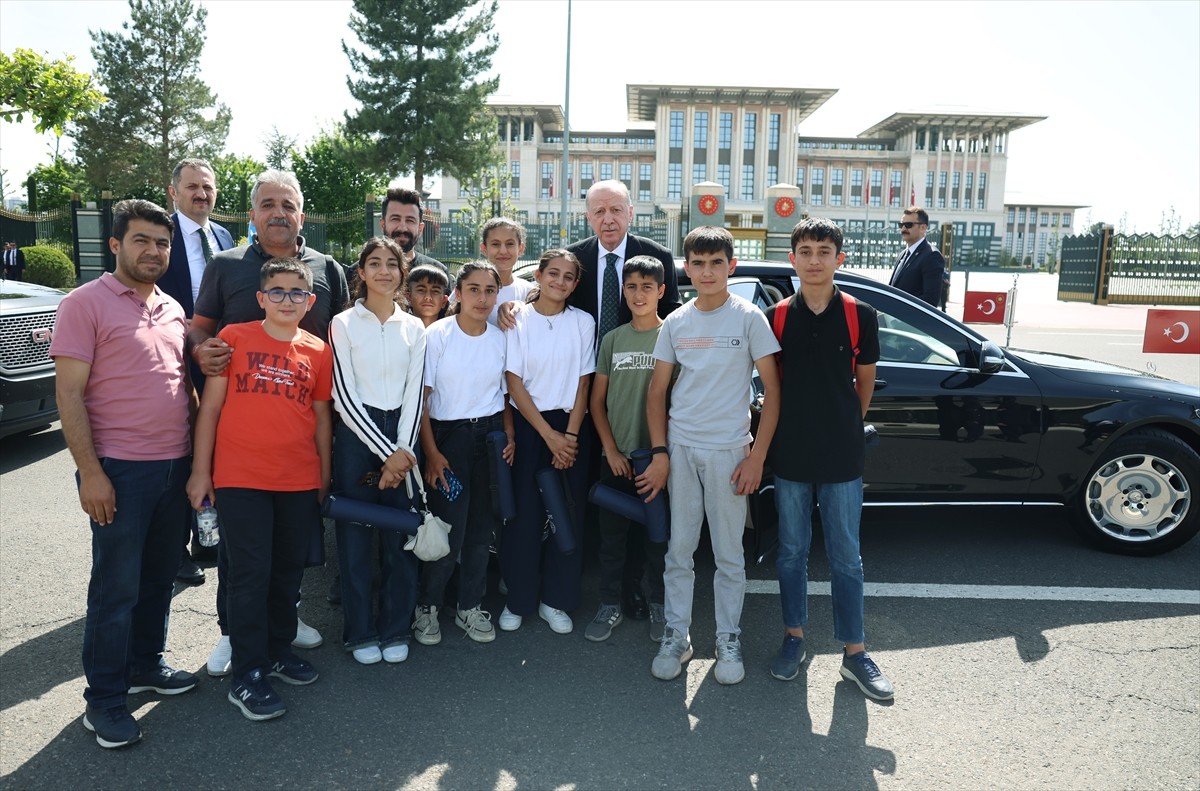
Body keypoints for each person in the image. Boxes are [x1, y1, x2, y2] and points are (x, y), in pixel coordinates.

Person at [189, 169, 349, 675]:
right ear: (253, 213)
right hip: (242, 456)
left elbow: (341, 334)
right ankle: (235, 639)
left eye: (288, 204)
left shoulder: (328, 269)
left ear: (301, 214)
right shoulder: (226, 265)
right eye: (267, 204)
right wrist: (203, 354)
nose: (278, 212)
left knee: (283, 561)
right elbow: (199, 331)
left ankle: (279, 634)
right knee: (243, 564)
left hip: (298, 444)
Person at [50, 199, 197, 749]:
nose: (153, 251)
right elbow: (68, 393)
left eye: (162, 243)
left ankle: (145, 664)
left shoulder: (174, 308)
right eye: (141, 240)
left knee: (159, 578)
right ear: (116, 245)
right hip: (118, 470)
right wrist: (90, 472)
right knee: (116, 590)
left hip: (173, 466)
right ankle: (104, 701)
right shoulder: (84, 304)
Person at [187, 257, 334, 721]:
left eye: (296, 293)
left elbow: (321, 419)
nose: (287, 300)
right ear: (260, 297)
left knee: (287, 573)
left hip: (297, 478)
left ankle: (276, 649)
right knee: (250, 574)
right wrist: (200, 471)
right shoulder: (235, 338)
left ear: (310, 301)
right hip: (240, 478)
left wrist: (323, 475)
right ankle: (247, 674)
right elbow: (210, 409)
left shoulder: (317, 350)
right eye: (277, 291)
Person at [641, 226, 780, 686]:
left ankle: (728, 638)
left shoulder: (748, 318)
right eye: (697, 263)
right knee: (679, 550)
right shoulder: (676, 321)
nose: (706, 271)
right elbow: (657, 393)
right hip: (681, 449)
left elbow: (773, 393)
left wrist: (756, 457)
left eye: (716, 262)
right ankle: (678, 636)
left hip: (729, 450)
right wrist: (661, 451)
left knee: (728, 554)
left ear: (731, 266)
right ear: (686, 268)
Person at [765, 218, 893, 700]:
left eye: (824, 250)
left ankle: (854, 653)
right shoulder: (777, 316)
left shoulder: (861, 314)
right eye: (805, 250)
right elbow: (772, 388)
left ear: (840, 258)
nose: (814, 259)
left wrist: (844, 426)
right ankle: (793, 638)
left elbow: (864, 383)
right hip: (791, 453)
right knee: (792, 553)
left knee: (847, 558)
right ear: (792, 258)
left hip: (842, 454)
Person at [328, 237, 426, 665]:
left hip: (402, 436)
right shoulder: (343, 323)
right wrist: (387, 453)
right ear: (362, 273)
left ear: (402, 273)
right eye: (375, 263)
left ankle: (394, 628)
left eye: (392, 264)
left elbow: (415, 394)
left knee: (401, 537)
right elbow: (343, 398)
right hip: (356, 436)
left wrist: (402, 451)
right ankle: (360, 633)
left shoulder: (415, 327)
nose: (384, 270)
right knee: (354, 539)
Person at [414, 261, 514, 646]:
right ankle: (427, 606)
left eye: (490, 290)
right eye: (474, 289)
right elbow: (422, 401)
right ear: (457, 293)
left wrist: (509, 434)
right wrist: (432, 453)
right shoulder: (438, 335)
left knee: (480, 529)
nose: (482, 298)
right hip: (448, 439)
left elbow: (504, 394)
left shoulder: (499, 338)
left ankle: (469, 606)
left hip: (488, 439)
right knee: (446, 529)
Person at [499, 249, 595, 635]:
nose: (559, 281)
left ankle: (556, 600)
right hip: (530, 426)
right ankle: (518, 599)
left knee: (566, 516)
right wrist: (549, 436)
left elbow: (584, 380)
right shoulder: (517, 317)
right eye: (552, 273)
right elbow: (513, 381)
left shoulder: (583, 322)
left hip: (572, 427)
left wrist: (569, 436)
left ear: (575, 284)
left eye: (568, 276)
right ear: (538, 275)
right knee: (523, 515)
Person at [157, 157, 235, 586]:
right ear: (174, 192)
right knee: (179, 448)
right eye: (192, 187)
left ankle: (207, 536)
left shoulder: (222, 235)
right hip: (174, 356)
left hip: (219, 359)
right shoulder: (161, 235)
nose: (201, 194)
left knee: (214, 444)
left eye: (208, 187)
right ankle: (174, 550)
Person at [586, 255, 670, 643]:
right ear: (623, 290)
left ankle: (659, 604)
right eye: (632, 286)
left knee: (657, 540)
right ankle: (609, 604)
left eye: (647, 287)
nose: (639, 294)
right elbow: (596, 402)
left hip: (657, 461)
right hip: (615, 459)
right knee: (612, 539)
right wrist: (611, 450)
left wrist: (661, 453)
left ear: (661, 292)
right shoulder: (613, 339)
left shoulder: (672, 336)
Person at [379, 187, 446, 274]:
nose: (402, 228)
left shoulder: (438, 273)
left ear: (420, 229)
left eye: (410, 220)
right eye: (395, 219)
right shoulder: (360, 271)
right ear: (383, 225)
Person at [889, 207, 945, 306]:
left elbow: (930, 300)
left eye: (908, 225)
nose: (903, 229)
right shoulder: (903, 254)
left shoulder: (932, 256)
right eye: (901, 225)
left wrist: (898, 308)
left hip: (909, 320)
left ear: (923, 228)